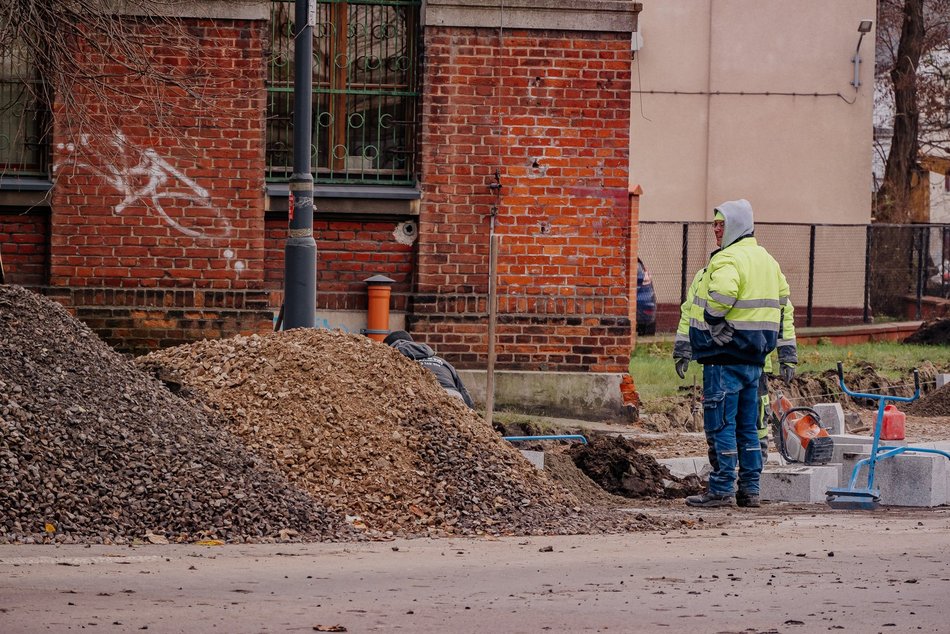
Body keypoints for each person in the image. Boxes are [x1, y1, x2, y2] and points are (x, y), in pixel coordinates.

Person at [672, 199, 797, 508]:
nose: (716, 229)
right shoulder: (767, 261)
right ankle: (750, 491)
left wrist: (714, 321)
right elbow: (784, 308)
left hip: (722, 360)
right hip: (754, 363)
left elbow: (719, 298)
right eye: (714, 224)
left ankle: (721, 489)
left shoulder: (726, 261)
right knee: (749, 429)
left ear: (737, 226)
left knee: (721, 426)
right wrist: (787, 352)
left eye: (721, 224)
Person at [383, 330, 475, 408]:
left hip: (427, 401)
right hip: (456, 398)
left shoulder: (396, 361)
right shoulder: (442, 362)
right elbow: (463, 391)